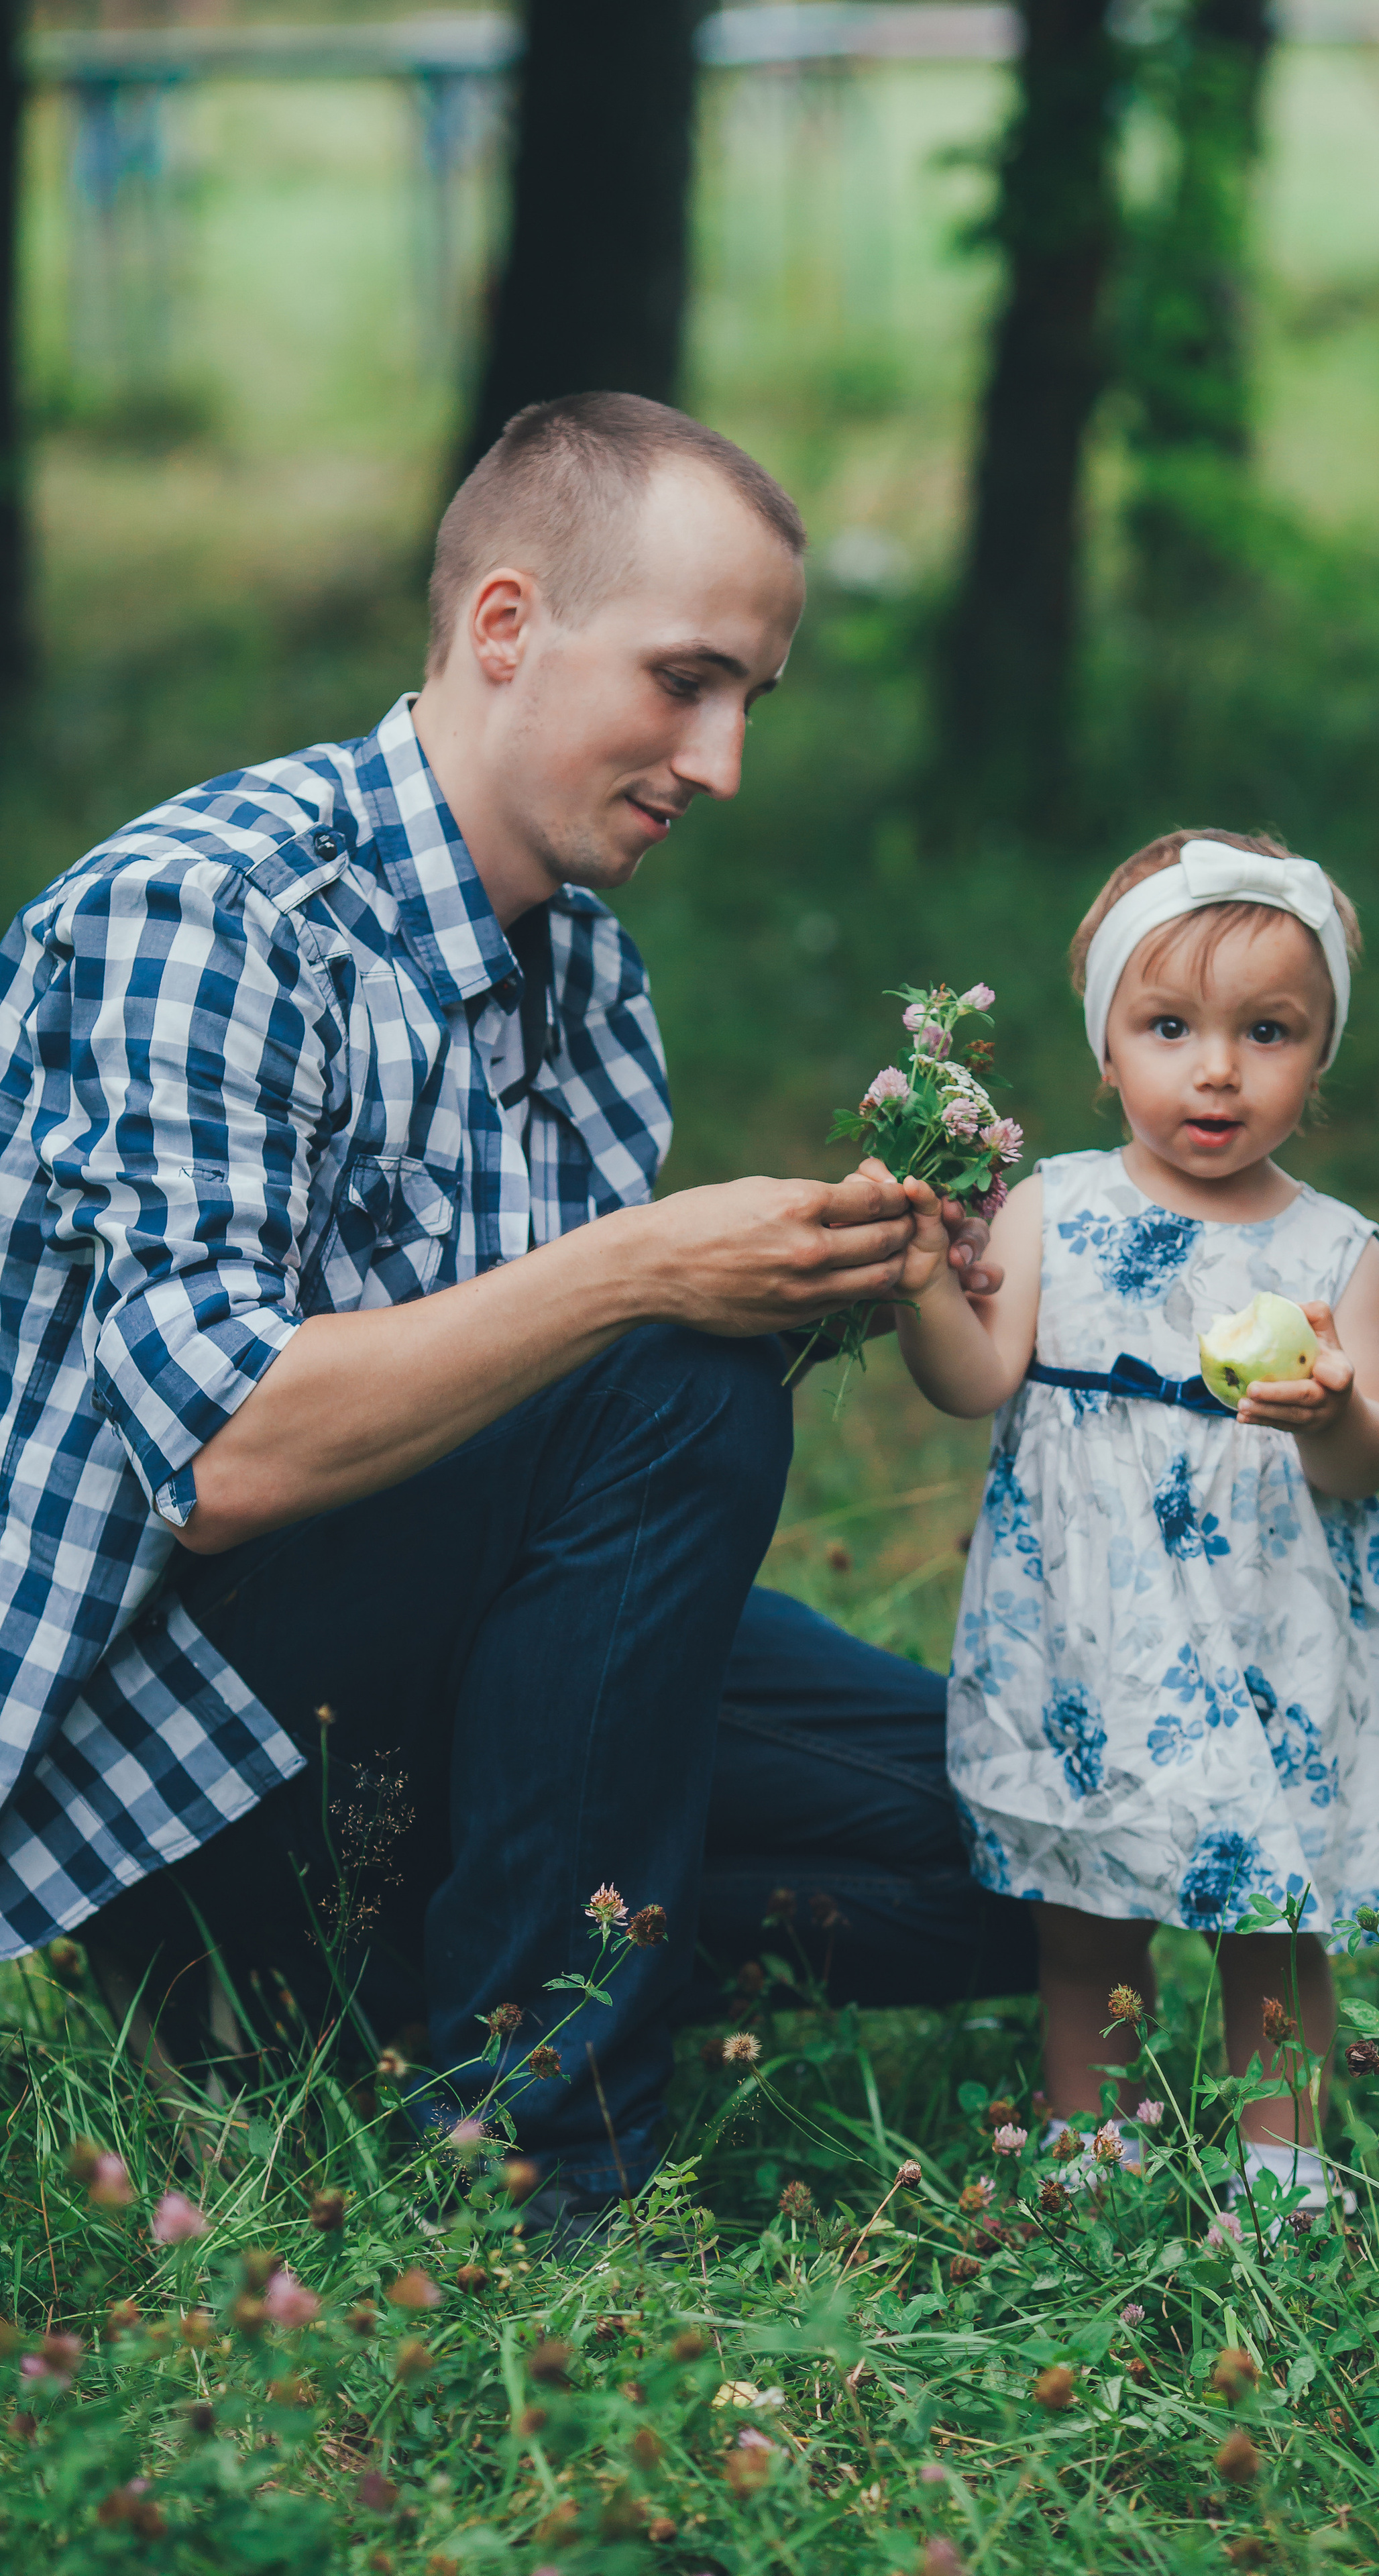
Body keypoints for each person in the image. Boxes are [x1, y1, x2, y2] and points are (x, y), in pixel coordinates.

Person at [0, 392, 1032, 2228]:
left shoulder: (591, 982)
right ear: (503, 627)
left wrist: (831, 1279)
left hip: (421, 1682)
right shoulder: (207, 915)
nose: (719, 765)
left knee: (1036, 1844)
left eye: (751, 707)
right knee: (672, 1376)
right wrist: (651, 1271)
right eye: (685, 681)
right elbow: (224, 1459)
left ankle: (381, 1986)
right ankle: (526, 2154)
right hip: (169, 1735)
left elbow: (562, 1487)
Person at [881, 828, 1379, 2210]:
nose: (1215, 1069)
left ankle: (1283, 2167)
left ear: (1317, 1054)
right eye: (1168, 1027)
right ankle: (1097, 2151)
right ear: (1105, 1049)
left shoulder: (1333, 1249)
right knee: (1085, 1913)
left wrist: (1329, 1412)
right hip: (1086, 1638)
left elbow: (1369, 1459)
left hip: (1264, 1636)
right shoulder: (1051, 1208)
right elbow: (973, 1382)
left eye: (1266, 1032)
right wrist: (921, 1283)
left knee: (1267, 1916)